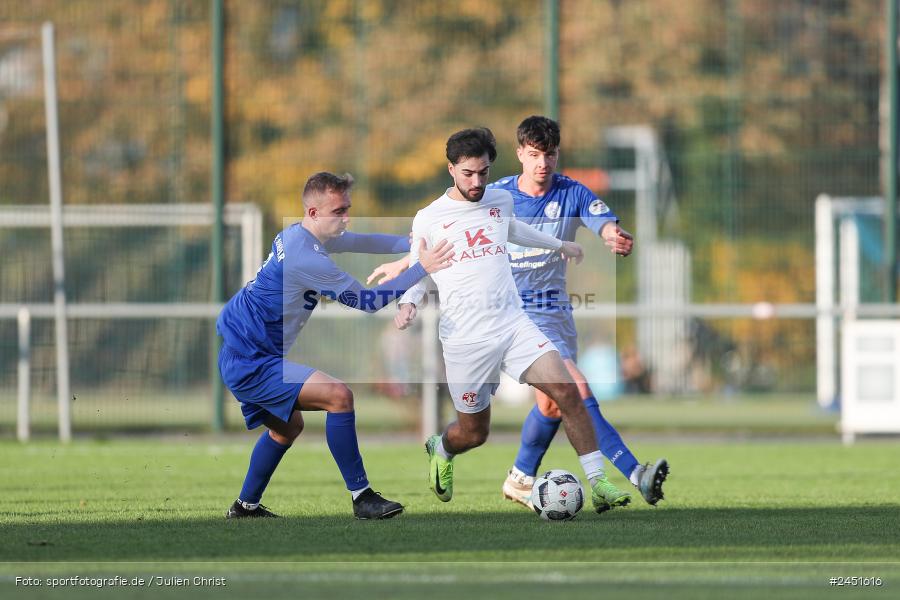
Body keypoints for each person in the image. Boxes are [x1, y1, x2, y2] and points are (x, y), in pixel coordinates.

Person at [394, 127, 632, 514]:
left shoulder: (500, 200)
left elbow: (514, 229)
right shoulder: (430, 217)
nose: (477, 182)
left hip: (513, 324)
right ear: (451, 168)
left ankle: (599, 483)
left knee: (568, 391)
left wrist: (561, 244)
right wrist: (409, 301)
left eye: (484, 173)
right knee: (474, 433)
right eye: (468, 173)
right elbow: (420, 265)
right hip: (466, 340)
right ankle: (444, 447)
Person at [216, 171, 453, 520]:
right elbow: (370, 302)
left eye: (347, 208)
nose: (346, 218)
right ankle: (362, 498)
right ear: (314, 213)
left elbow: (363, 241)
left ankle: (245, 506)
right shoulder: (306, 257)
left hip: (246, 353)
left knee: (287, 427)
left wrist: (416, 242)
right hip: (251, 361)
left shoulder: (300, 235)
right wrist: (422, 267)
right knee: (339, 396)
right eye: (338, 211)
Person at [488, 115, 668, 508]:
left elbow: (601, 221)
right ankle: (637, 474)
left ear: (557, 154)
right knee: (575, 387)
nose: (542, 163)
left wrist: (612, 237)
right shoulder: (496, 196)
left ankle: (519, 478)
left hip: (554, 315)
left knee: (552, 404)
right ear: (520, 154)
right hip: (509, 317)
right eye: (533, 155)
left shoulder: (572, 193)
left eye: (549, 155)